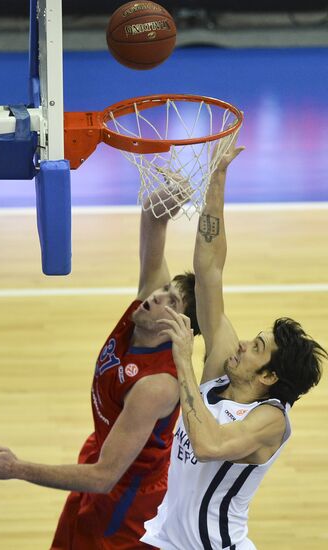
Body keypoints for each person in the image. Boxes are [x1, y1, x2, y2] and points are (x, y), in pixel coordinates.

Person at [0, 180, 200, 550]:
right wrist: (164, 198)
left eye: (170, 300)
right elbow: (155, 221)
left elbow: (104, 477)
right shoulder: (143, 312)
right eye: (162, 290)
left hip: (125, 500)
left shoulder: (157, 386)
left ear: (176, 328)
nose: (156, 295)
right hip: (99, 455)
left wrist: (16, 468)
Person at [141, 133, 327, 550]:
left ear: (269, 376)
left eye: (257, 348)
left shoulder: (270, 420)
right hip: (163, 540)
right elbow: (209, 269)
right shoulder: (223, 369)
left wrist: (185, 362)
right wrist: (217, 178)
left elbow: (208, 445)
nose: (242, 344)